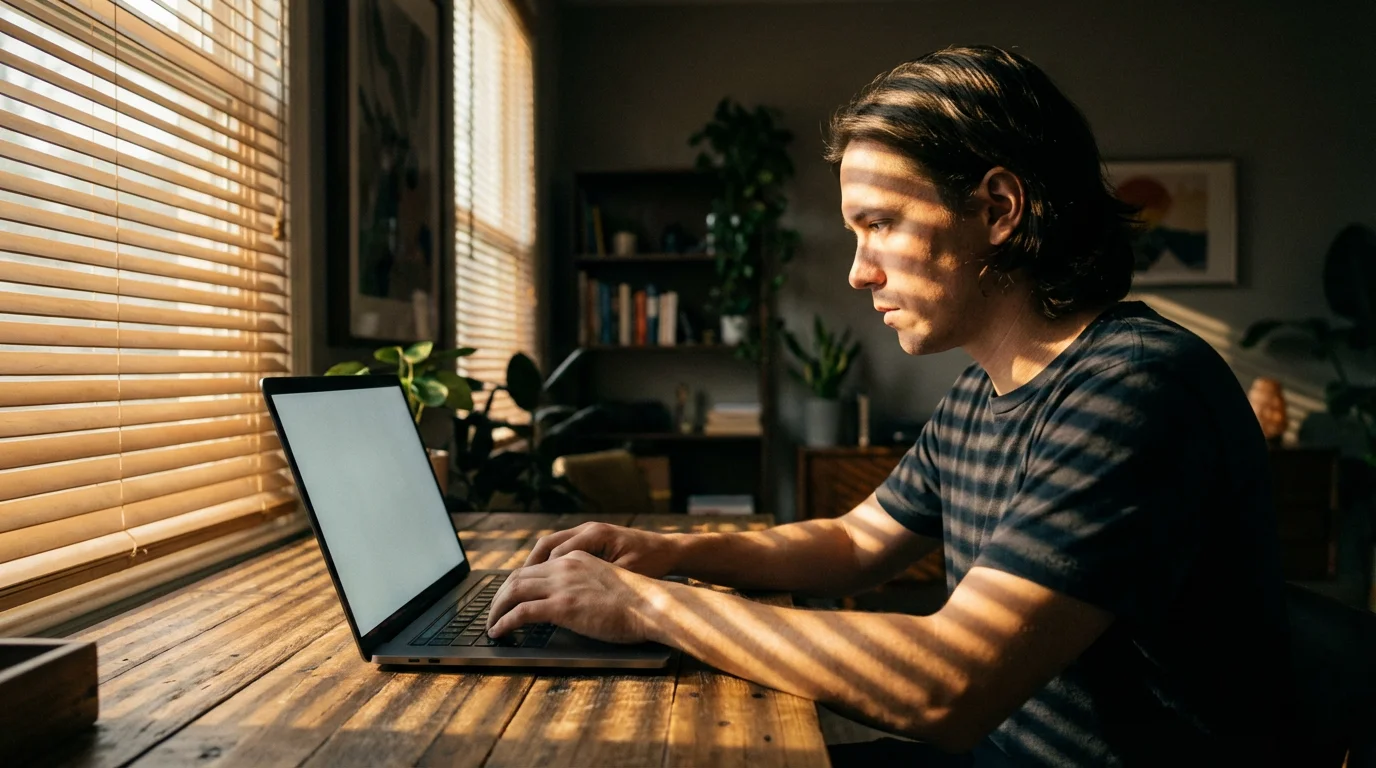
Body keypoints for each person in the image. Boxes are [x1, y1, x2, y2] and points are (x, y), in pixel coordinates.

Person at [486, 46, 1287, 765]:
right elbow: (854, 539)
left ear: (998, 210)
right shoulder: (984, 391)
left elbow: (948, 685)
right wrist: (670, 553)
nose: (859, 271)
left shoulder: (1134, 388)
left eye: (881, 224)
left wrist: (645, 605)